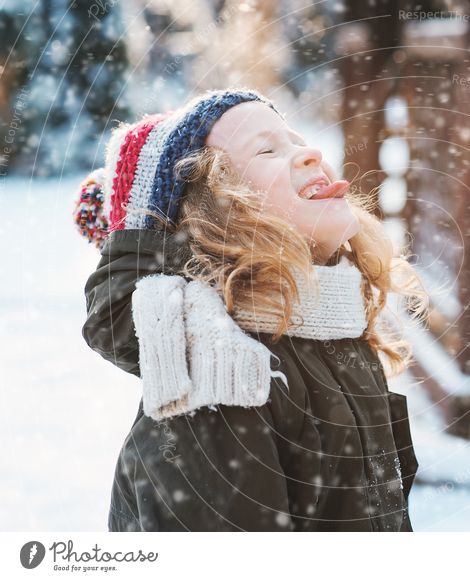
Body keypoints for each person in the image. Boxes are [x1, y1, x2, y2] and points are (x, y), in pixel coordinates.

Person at [73, 88, 429, 531]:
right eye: (267, 150)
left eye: (298, 140)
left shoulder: (330, 330)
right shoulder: (221, 371)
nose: (310, 153)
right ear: (212, 215)